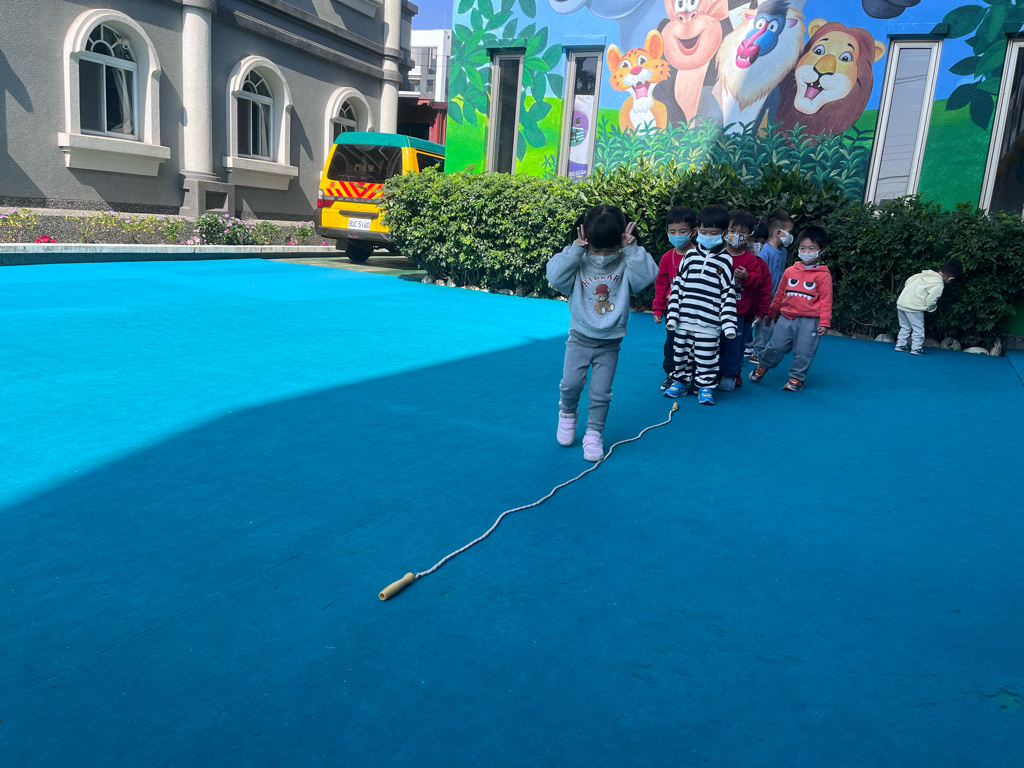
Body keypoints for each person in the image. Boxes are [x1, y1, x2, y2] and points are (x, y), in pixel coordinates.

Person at [547, 204, 659, 461]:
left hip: (610, 342)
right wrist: (576, 250)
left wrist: (631, 249)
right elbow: (555, 277)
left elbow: (646, 277)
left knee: (601, 393)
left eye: (610, 250)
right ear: (586, 238)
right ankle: (567, 413)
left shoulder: (626, 260)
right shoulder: (578, 259)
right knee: (570, 384)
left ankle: (594, 433)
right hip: (580, 337)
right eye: (596, 250)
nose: (602, 256)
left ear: (620, 241)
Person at [662, 204, 737, 405]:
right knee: (680, 353)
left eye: (713, 233)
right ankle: (680, 382)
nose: (707, 236)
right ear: (697, 230)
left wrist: (728, 324)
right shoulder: (690, 256)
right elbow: (678, 287)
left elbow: (728, 292)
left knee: (707, 357)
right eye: (704, 232)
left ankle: (706, 386)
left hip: (710, 323)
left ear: (724, 234)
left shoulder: (726, 260)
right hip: (684, 320)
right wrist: (673, 315)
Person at [748, 225, 832, 391]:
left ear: (821, 251)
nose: (806, 252)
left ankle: (797, 378)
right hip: (786, 319)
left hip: (810, 322)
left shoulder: (823, 275)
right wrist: (771, 313)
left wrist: (824, 322)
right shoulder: (790, 271)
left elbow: (826, 300)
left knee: (804, 351)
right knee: (776, 347)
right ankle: (763, 365)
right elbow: (780, 294)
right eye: (803, 248)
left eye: (811, 249)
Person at [718, 209, 771, 392]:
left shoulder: (750, 259)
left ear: (749, 235)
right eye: (732, 231)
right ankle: (712, 373)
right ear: (724, 232)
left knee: (734, 346)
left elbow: (758, 281)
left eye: (742, 232)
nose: (736, 235)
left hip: (739, 312)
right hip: (716, 310)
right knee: (715, 343)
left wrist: (746, 277)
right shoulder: (718, 255)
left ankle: (730, 375)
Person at [653, 206, 697, 390]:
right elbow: (661, 285)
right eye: (672, 232)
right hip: (673, 310)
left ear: (693, 232)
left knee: (695, 343)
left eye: (682, 231)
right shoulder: (667, 258)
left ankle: (695, 375)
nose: (677, 235)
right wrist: (658, 308)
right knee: (672, 342)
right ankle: (671, 373)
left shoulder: (701, 255)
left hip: (696, 309)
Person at [750, 210, 796, 362]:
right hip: (764, 296)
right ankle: (757, 350)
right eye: (789, 232)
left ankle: (752, 346)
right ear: (778, 232)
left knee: (764, 324)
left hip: (775, 296)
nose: (791, 236)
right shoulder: (765, 252)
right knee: (765, 325)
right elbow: (760, 275)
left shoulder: (783, 252)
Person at [895, 259, 963, 354]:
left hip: (901, 304)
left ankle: (900, 344)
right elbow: (931, 300)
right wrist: (930, 308)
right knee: (918, 329)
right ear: (951, 278)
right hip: (914, 307)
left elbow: (907, 282)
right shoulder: (938, 283)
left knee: (905, 326)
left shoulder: (921, 275)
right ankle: (916, 348)